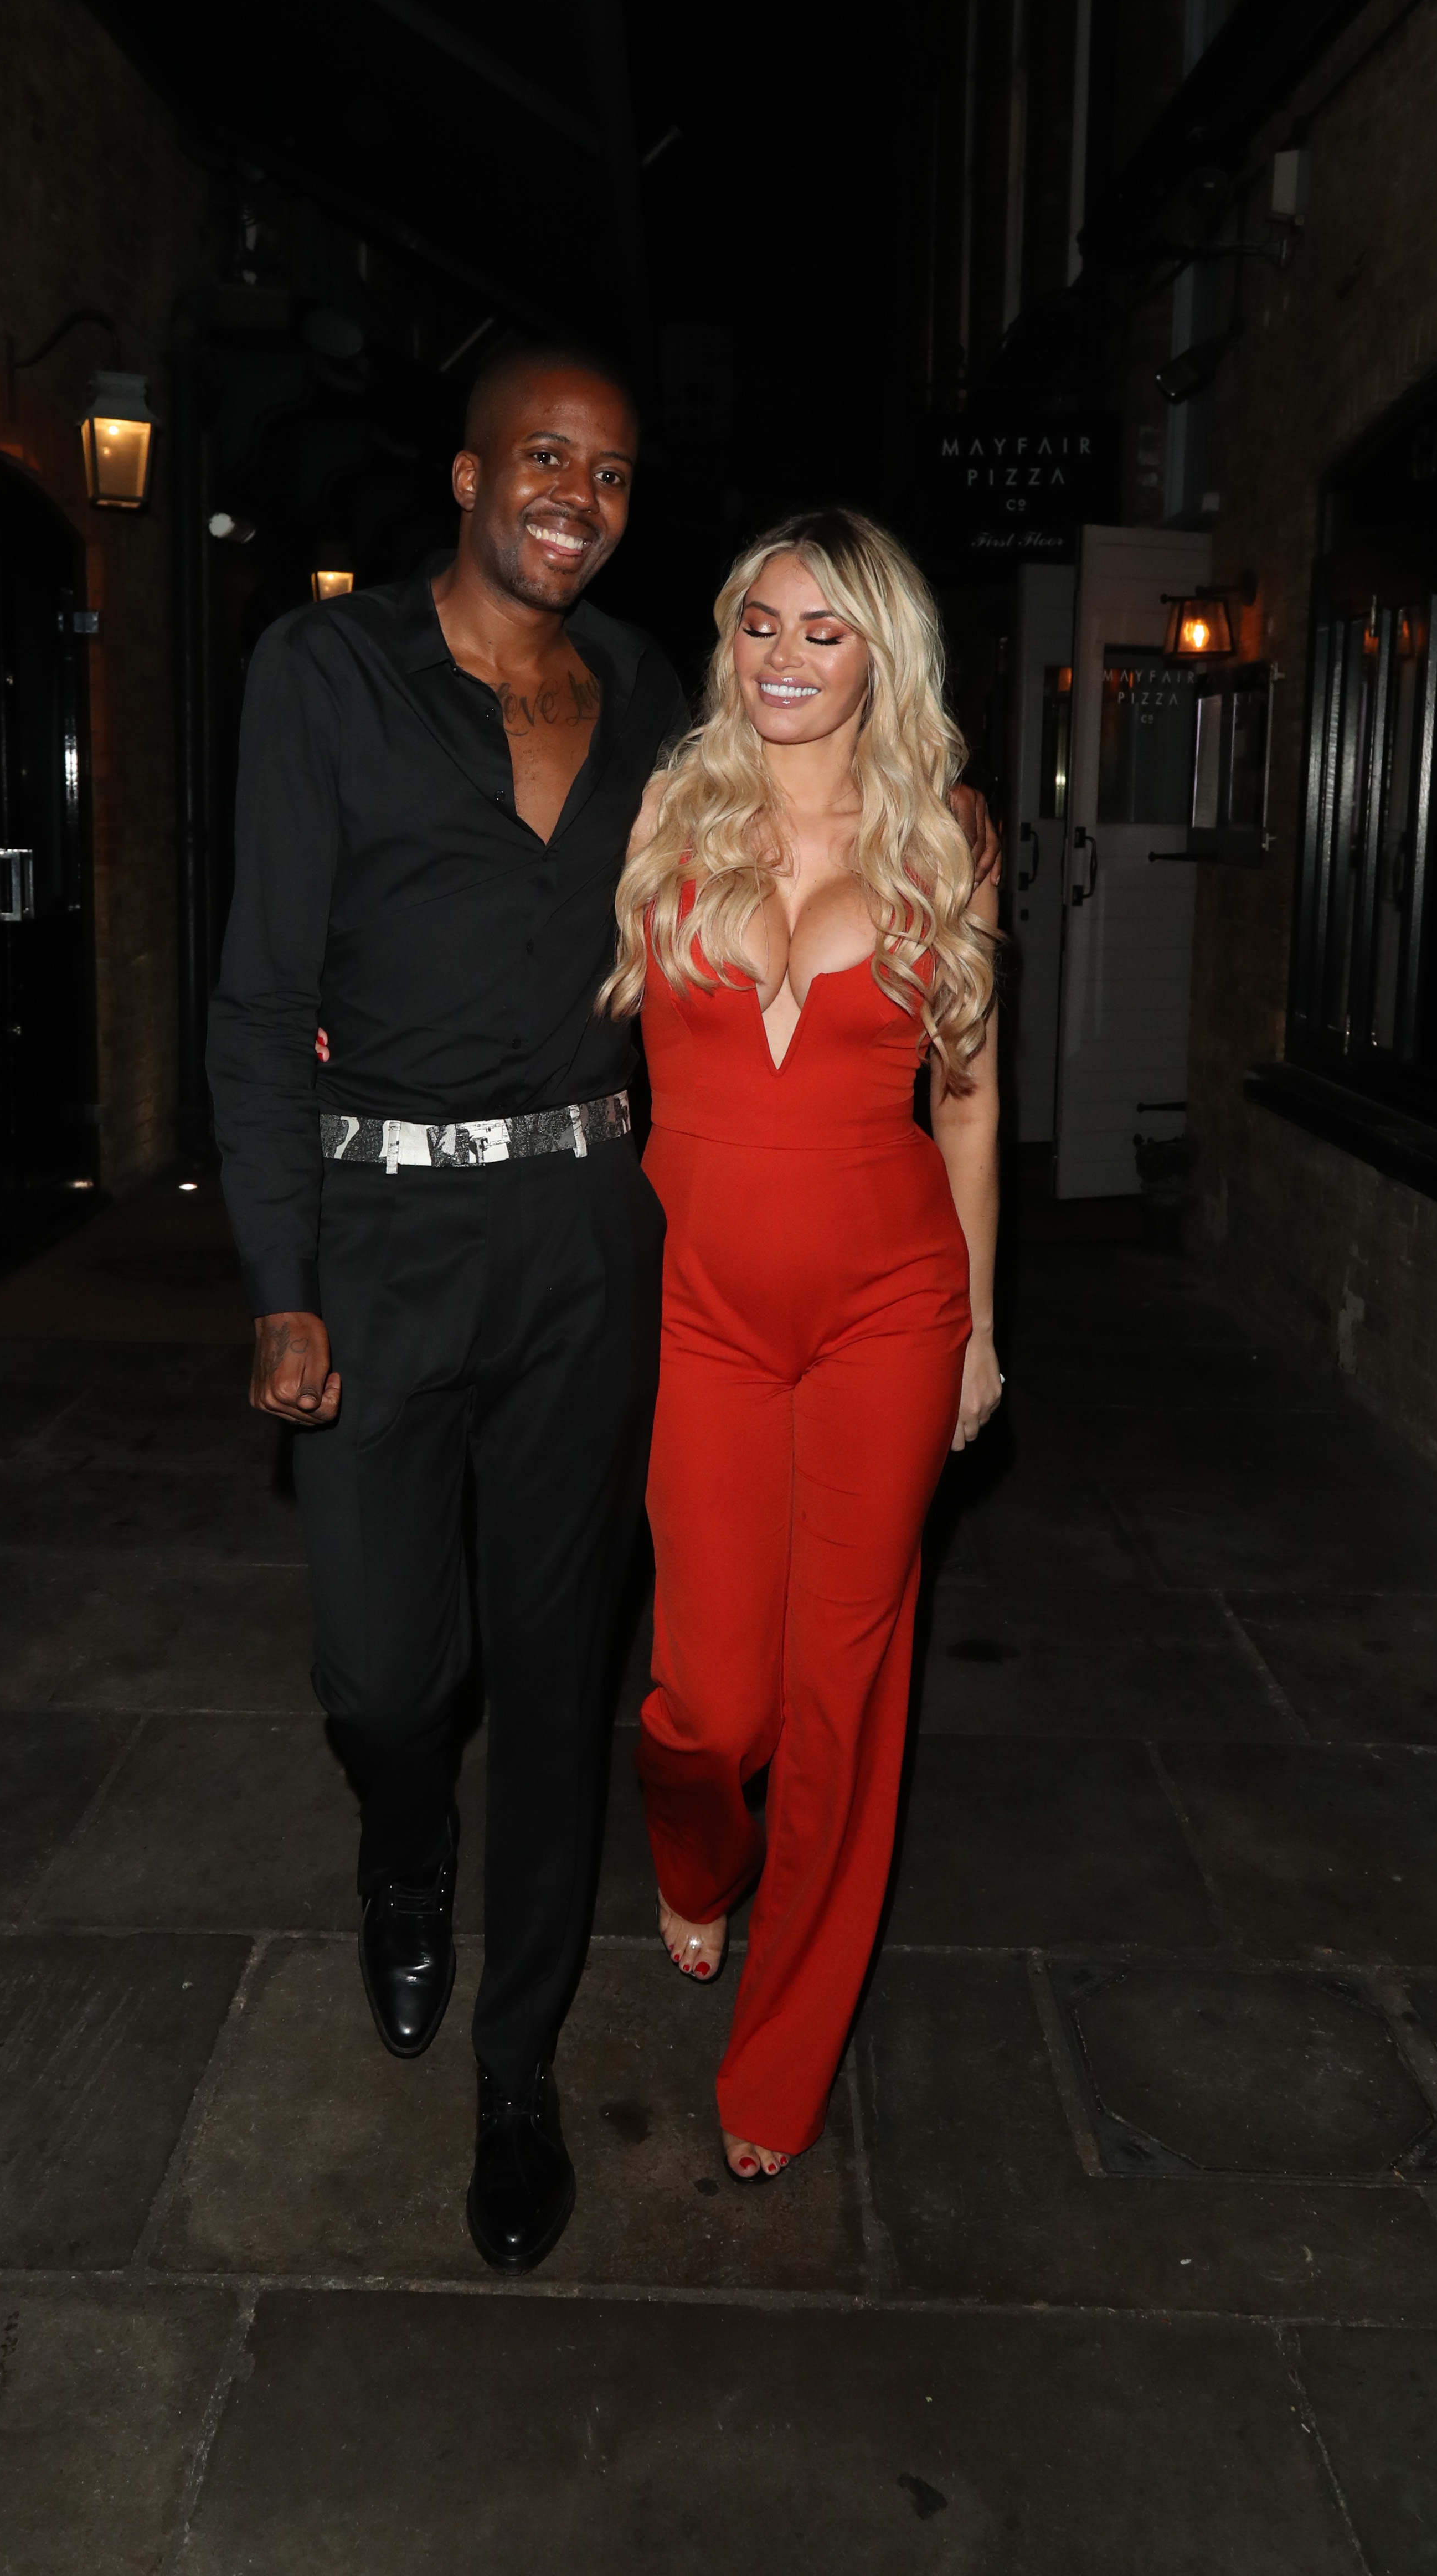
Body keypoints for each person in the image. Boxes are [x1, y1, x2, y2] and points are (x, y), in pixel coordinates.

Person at [208, 354, 993, 2278]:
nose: (576, 494)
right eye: (545, 458)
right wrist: (284, 1265)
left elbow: (949, 1065)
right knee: (400, 1681)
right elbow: (277, 990)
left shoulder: (674, 713)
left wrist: (972, 1317)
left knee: (586, 1678)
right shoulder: (355, 683)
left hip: (609, 1244)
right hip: (421, 1241)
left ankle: (525, 2072)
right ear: (469, 472)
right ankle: (412, 1844)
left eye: (615, 472)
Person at [601, 509, 1002, 2183]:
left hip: (888, 1313)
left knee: (845, 1696)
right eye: (760, 624)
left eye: (824, 631)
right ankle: (697, 1855)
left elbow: (966, 1103)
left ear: (880, 658)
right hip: (698, 1310)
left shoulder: (945, 837)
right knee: (710, 1704)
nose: (783, 657)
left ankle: (782, 2062)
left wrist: (979, 1331)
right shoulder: (670, 814)